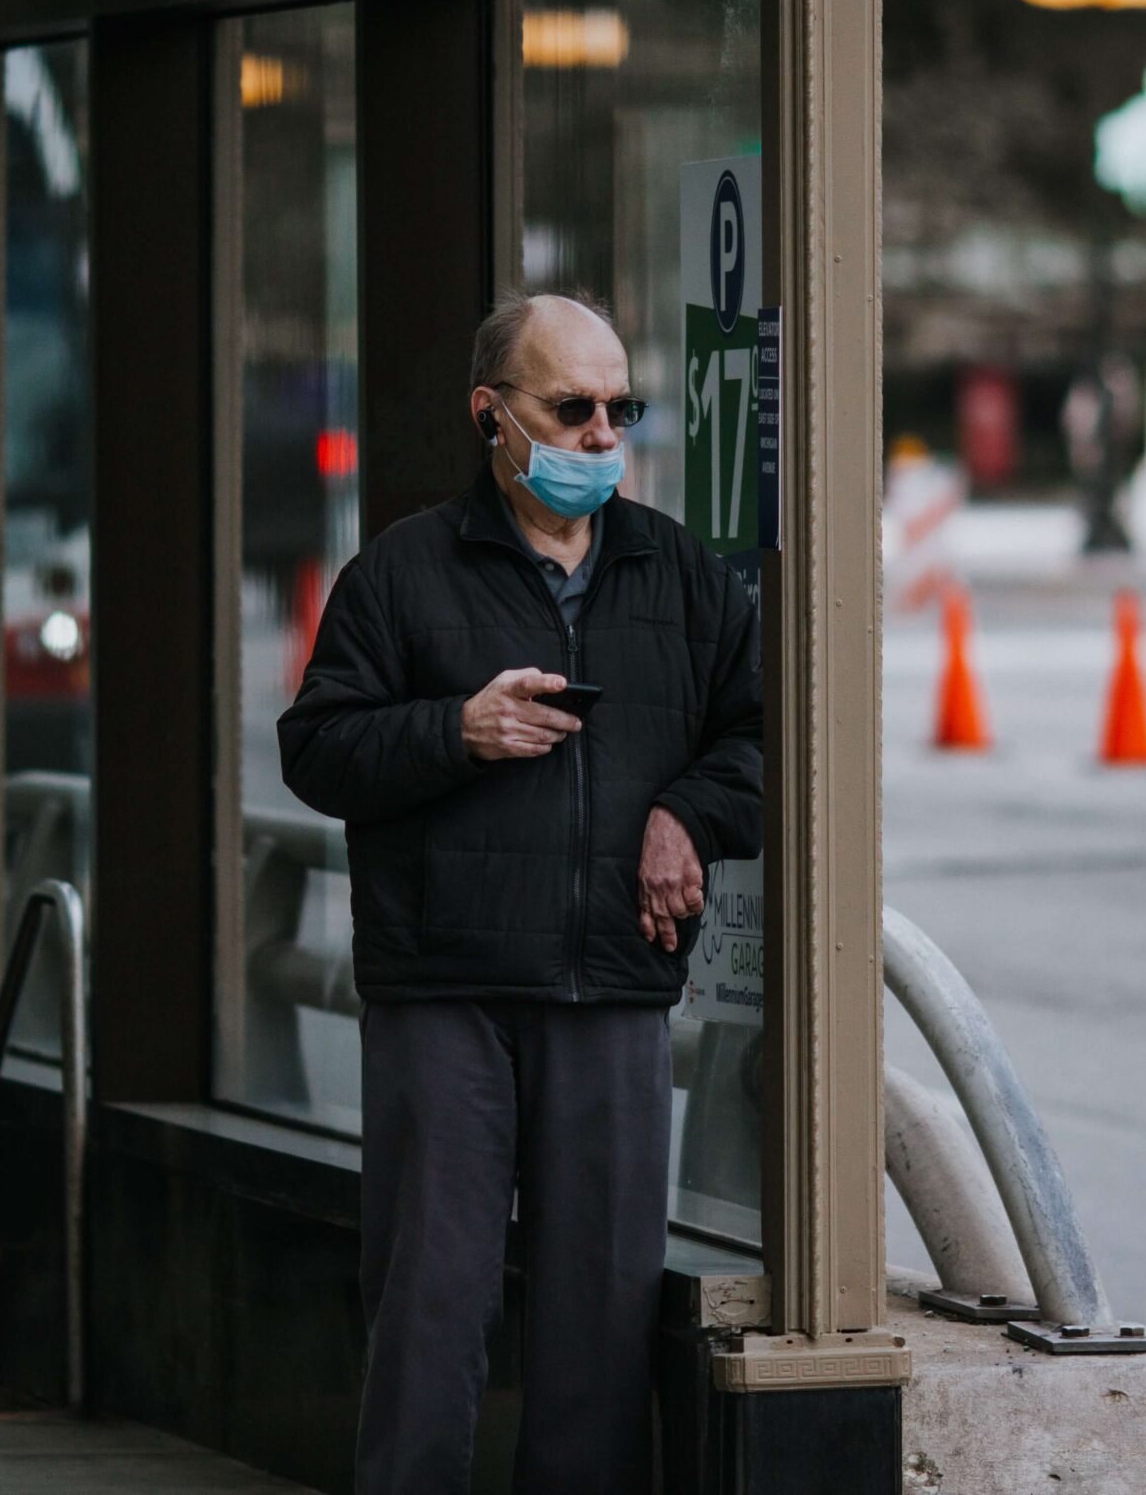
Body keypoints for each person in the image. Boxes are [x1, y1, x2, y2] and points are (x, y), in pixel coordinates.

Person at [278, 289, 762, 1495]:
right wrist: (457, 728)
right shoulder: (401, 571)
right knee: (430, 1306)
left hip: (612, 990)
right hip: (445, 989)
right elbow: (317, 749)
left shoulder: (682, 576)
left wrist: (683, 815)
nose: (603, 435)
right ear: (492, 415)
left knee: (600, 1320)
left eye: (619, 408)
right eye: (571, 408)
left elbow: (762, 745)